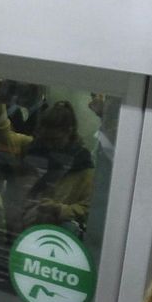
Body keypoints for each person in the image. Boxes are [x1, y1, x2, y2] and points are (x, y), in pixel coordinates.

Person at [19, 100, 95, 233]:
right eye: (45, 139)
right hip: (28, 228)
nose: (49, 145)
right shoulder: (34, 151)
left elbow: (89, 210)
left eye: (55, 140)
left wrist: (59, 209)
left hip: (60, 234)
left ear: (69, 132)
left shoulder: (82, 166)